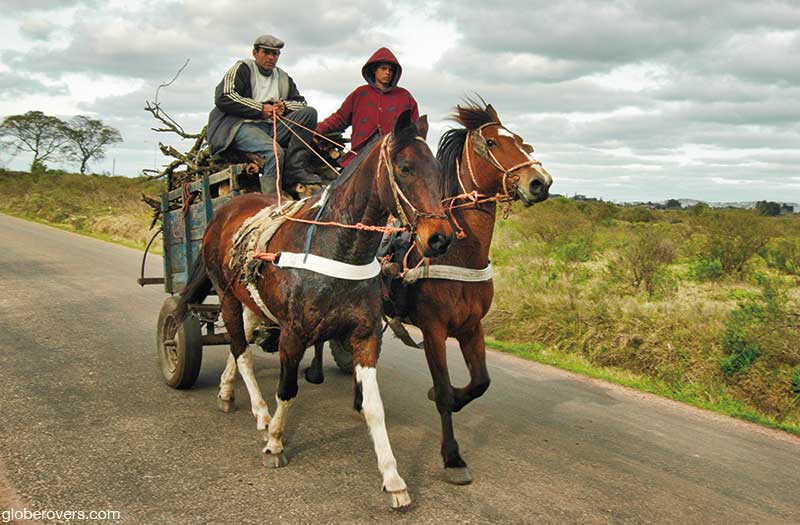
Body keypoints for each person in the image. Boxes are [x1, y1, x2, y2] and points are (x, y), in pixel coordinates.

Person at [207, 34, 321, 195]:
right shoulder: (243, 68)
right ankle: (272, 200)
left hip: (272, 127)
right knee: (274, 152)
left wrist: (284, 106)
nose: (270, 57)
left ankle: (294, 168)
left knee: (309, 113)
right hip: (241, 126)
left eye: (275, 54)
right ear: (255, 53)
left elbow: (301, 103)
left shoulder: (282, 77)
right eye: (266, 52)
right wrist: (260, 109)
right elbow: (224, 96)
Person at [316, 47, 419, 167]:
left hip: (394, 157)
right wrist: (317, 129)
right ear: (374, 70)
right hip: (360, 155)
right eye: (383, 68)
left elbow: (416, 129)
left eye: (391, 70)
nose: (388, 73)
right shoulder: (360, 93)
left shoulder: (405, 97)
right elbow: (340, 118)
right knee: (339, 184)